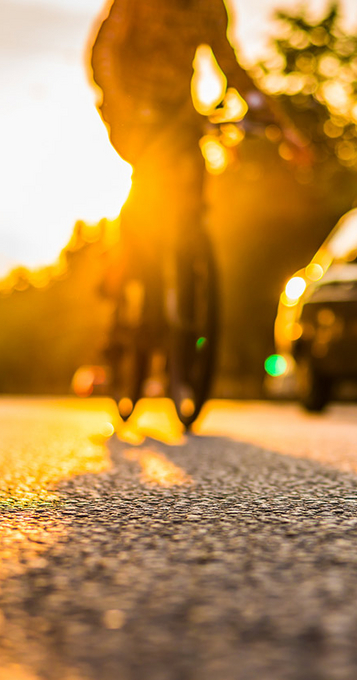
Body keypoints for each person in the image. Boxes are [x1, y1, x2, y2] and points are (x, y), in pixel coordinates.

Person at [89, 0, 306, 414]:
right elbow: (105, 54)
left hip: (180, 116)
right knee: (146, 193)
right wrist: (120, 103)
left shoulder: (209, 7)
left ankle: (184, 284)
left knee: (190, 201)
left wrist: (283, 127)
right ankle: (122, 273)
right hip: (132, 111)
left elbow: (229, 63)